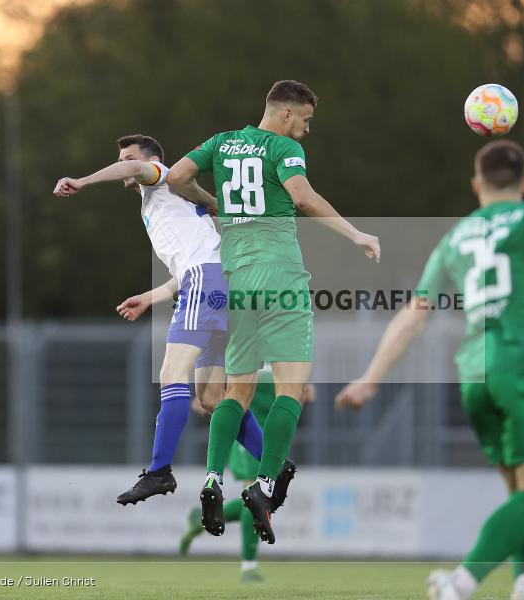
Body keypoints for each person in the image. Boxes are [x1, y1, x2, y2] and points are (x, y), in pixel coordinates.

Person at [335, 140, 524, 600]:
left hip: (474, 371)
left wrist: (370, 378)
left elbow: (414, 313)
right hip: (521, 360)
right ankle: (460, 582)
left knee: (523, 492)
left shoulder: (454, 238)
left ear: (477, 185)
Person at [165, 80, 381, 544]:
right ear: (287, 115)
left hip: (237, 281)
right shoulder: (282, 147)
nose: (305, 131)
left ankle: (212, 479)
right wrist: (356, 233)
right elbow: (301, 197)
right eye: (305, 121)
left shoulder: (221, 143)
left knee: (235, 392)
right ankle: (263, 487)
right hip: (281, 279)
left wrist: (212, 202)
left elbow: (175, 177)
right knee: (292, 389)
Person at [51, 134, 279, 506]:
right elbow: (193, 263)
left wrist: (84, 180)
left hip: (205, 282)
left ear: (152, 159)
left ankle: (159, 472)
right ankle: (276, 463)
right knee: (209, 397)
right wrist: (150, 297)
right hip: (219, 285)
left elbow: (137, 168)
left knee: (173, 375)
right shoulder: (169, 203)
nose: (125, 164)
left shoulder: (158, 174)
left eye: (128, 157)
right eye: (121, 159)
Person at [179, 369, 316, 581]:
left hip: (272, 438)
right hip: (247, 434)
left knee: (259, 496)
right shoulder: (247, 349)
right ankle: (248, 566)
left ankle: (199, 519)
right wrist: (210, 389)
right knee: (256, 496)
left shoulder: (282, 353)